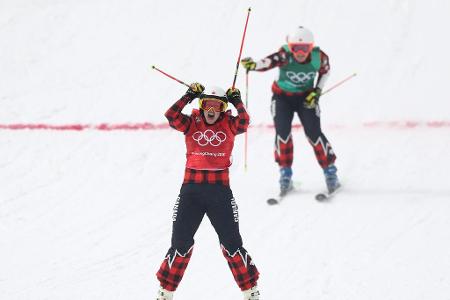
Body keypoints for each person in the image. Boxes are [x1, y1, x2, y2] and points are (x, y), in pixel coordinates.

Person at [155, 83, 260, 300]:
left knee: (232, 244)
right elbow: (171, 116)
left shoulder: (230, 124)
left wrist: (236, 101)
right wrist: (188, 96)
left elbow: (244, 122)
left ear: (223, 109)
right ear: (201, 106)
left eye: (217, 106)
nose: (212, 110)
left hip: (219, 193)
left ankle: (250, 292)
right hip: (191, 193)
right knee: (180, 244)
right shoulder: (192, 123)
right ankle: (165, 293)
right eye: (207, 105)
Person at [240, 26, 340, 195]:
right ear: (290, 47)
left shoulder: (319, 57)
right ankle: (285, 173)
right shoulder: (285, 55)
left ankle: (330, 171)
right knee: (282, 133)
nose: (300, 52)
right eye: (296, 48)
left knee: (314, 133)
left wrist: (317, 91)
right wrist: (254, 65)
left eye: (304, 48)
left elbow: (325, 72)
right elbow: (268, 62)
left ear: (311, 47)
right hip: (282, 98)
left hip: (306, 98)